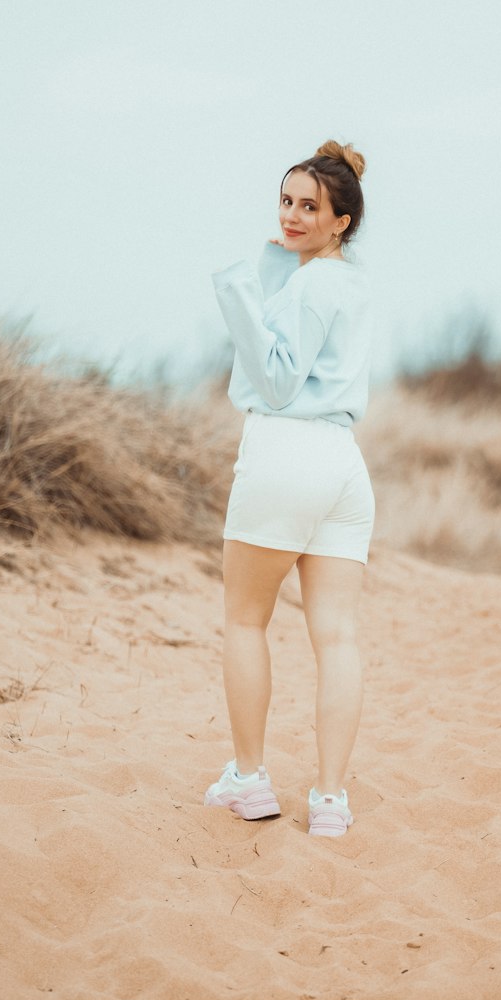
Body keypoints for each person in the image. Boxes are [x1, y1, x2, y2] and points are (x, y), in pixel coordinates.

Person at [204, 140, 375, 838]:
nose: (293, 215)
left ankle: (249, 779)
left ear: (342, 221)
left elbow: (275, 380)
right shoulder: (351, 281)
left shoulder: (309, 286)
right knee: (336, 637)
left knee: (246, 618)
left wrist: (237, 290)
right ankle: (330, 799)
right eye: (286, 201)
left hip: (286, 452)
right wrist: (282, 261)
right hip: (342, 465)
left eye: (311, 206)